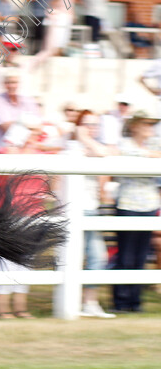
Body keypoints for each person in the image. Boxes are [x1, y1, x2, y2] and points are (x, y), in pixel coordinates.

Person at [63, 109, 115, 318]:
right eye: (88, 124)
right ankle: (75, 302)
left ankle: (89, 302)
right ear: (78, 125)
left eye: (96, 125)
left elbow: (107, 153)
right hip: (74, 209)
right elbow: (102, 153)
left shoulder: (91, 145)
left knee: (96, 256)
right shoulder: (72, 147)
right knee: (78, 256)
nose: (92, 128)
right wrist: (82, 135)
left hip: (90, 208)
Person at [111, 111, 161, 313]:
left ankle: (135, 301)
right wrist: (148, 156)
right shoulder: (124, 144)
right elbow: (120, 155)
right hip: (128, 204)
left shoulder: (153, 145)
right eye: (146, 123)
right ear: (135, 126)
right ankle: (122, 302)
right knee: (126, 255)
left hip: (149, 205)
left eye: (151, 124)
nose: (150, 127)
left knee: (140, 256)